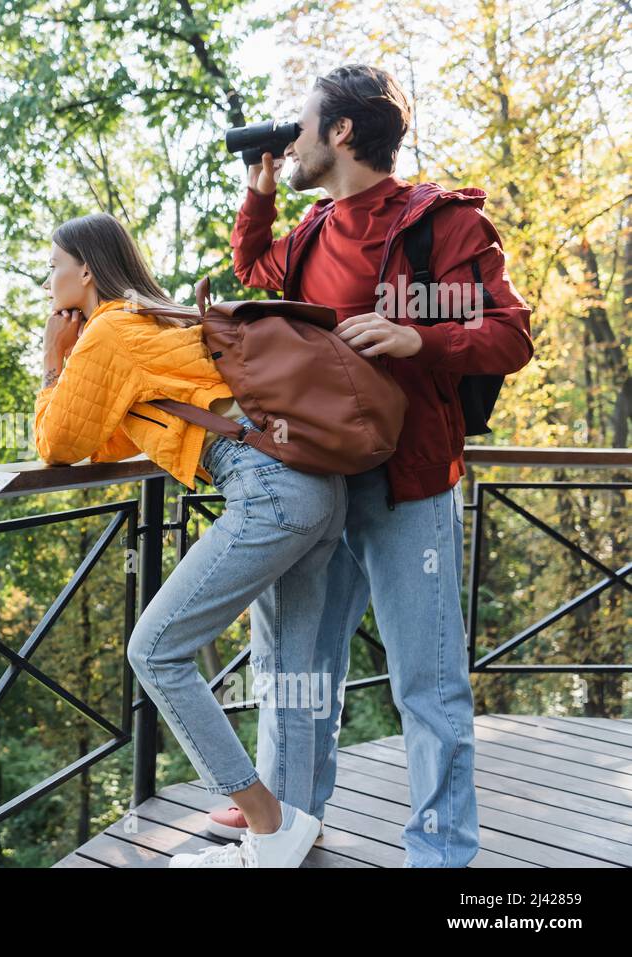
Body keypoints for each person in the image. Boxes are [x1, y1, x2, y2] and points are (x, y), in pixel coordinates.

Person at [218, 63, 533, 867]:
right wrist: (260, 193)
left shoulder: (441, 223)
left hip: (409, 488)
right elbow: (253, 269)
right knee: (299, 674)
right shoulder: (313, 230)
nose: (292, 136)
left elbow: (510, 332)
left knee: (426, 683)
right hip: (314, 484)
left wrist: (416, 336)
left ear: (342, 131)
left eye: (302, 121)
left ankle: (441, 853)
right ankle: (290, 824)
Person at [33, 210, 344, 867]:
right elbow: (109, 437)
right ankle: (285, 837)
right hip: (316, 486)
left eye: (53, 265)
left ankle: (268, 823)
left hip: (268, 489)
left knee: (155, 651)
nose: (47, 278)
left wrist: (53, 363)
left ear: (85, 269)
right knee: (288, 675)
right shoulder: (154, 318)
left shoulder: (109, 330)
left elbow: (58, 444)